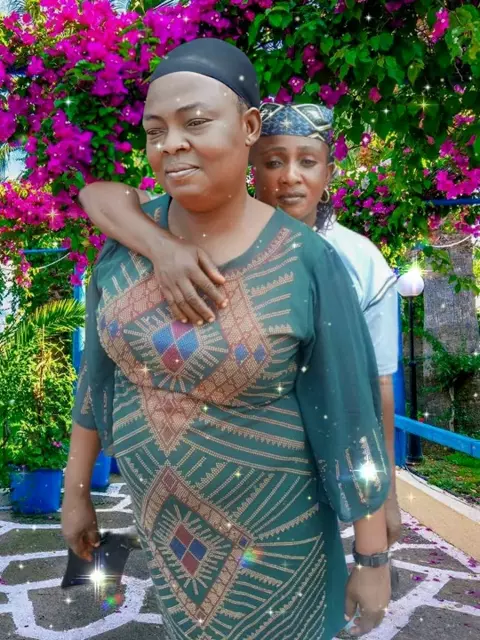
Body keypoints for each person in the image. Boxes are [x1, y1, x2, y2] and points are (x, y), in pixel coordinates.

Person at [62, 38, 392, 640]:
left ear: (248, 128)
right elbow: (98, 380)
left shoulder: (306, 262)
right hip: (170, 542)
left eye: (195, 123)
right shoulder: (124, 250)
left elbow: (351, 416)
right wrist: (76, 492)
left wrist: (372, 559)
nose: (171, 144)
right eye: (155, 130)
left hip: (279, 549)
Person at [79, 104, 401, 546]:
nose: (289, 177)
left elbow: (376, 386)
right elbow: (99, 197)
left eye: (307, 162)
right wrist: (160, 244)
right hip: (215, 475)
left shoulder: (359, 261)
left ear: (329, 173)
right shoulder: (200, 230)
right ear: (251, 167)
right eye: (272, 162)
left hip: (308, 461)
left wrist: (386, 493)